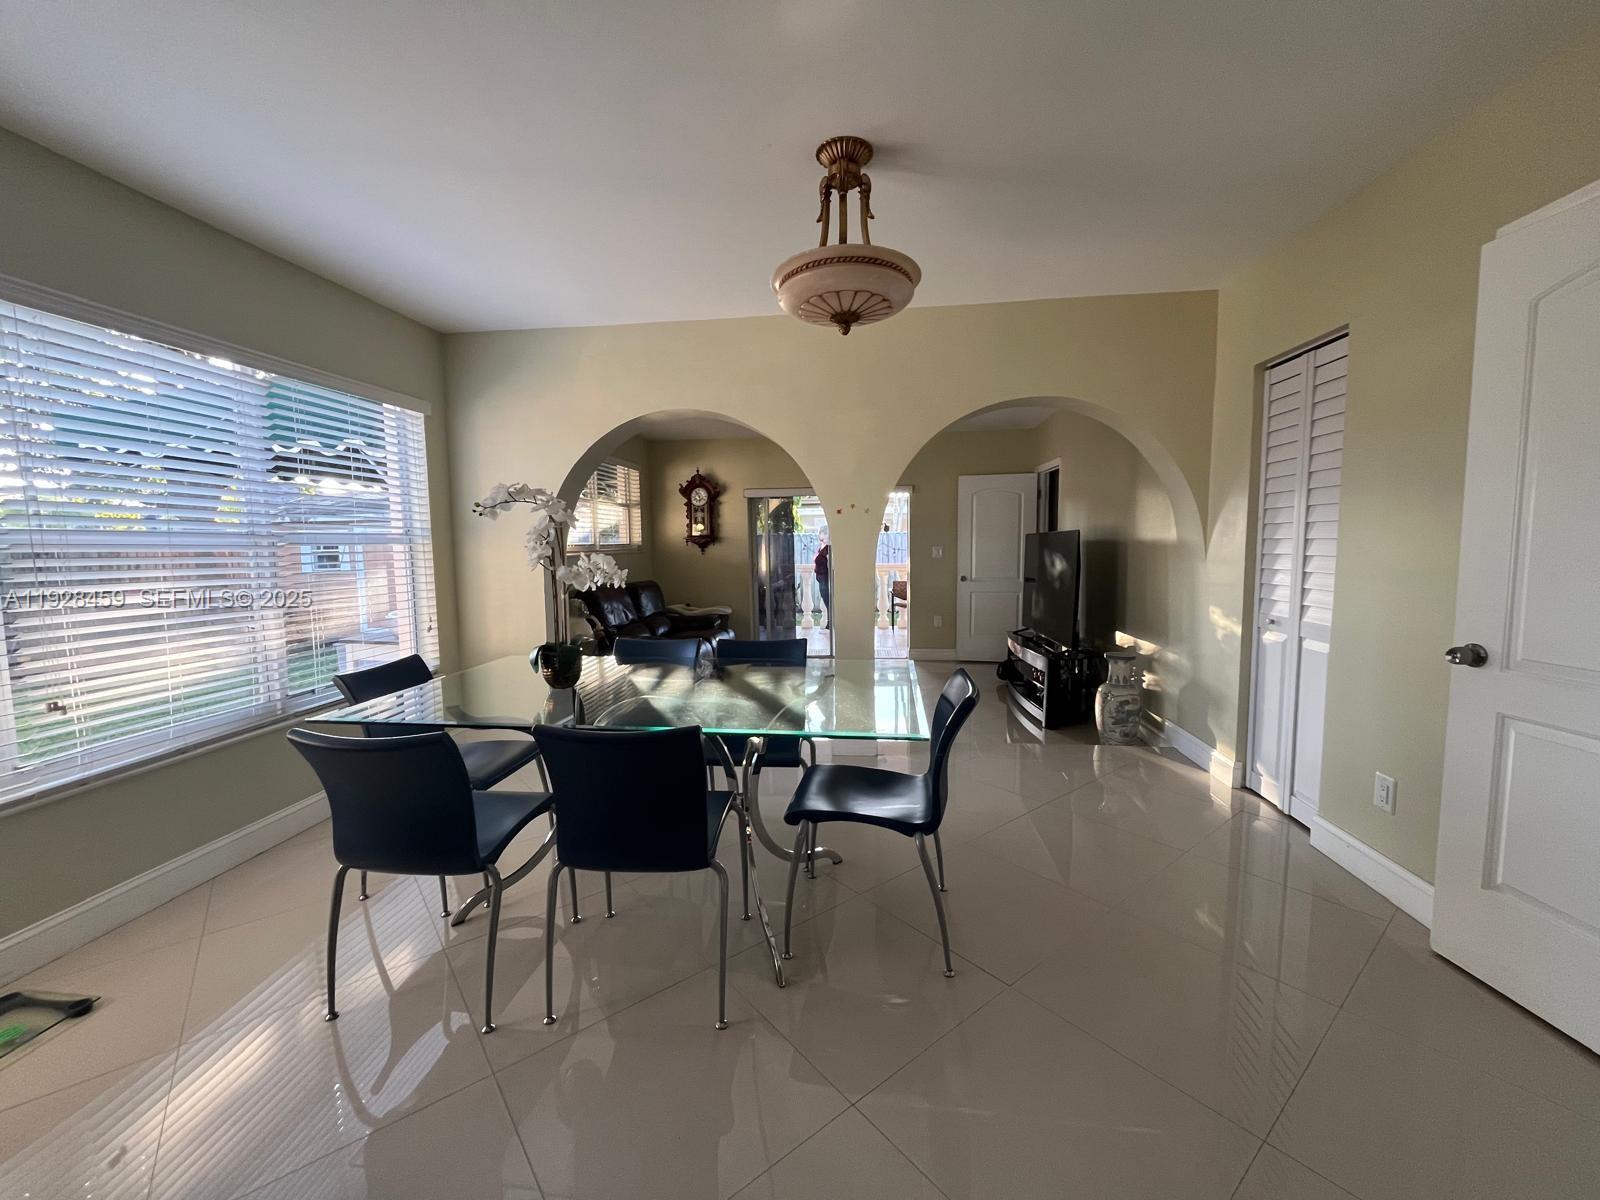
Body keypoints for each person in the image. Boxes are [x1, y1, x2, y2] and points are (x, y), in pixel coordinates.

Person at [813, 538, 831, 617]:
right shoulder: (822, 549)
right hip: (821, 578)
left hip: (825, 578)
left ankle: (830, 621)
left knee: (828, 602)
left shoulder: (828, 548)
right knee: (827, 602)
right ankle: (829, 622)